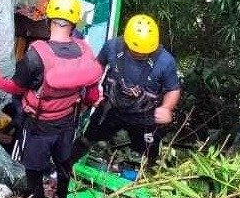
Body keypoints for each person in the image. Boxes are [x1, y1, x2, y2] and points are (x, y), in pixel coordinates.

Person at [0, 0, 102, 198]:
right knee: (64, 162)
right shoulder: (85, 51)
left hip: (38, 126)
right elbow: (92, 93)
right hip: (67, 123)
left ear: (48, 20)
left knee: (33, 170)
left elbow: (17, 88)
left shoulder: (37, 54)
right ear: (74, 23)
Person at [69, 14, 181, 171]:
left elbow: (173, 89)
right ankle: (63, 171)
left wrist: (167, 108)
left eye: (145, 51)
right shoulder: (112, 47)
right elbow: (98, 66)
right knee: (87, 139)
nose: (140, 54)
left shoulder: (165, 61)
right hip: (111, 108)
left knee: (149, 152)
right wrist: (93, 89)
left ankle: (146, 177)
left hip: (144, 116)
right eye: (136, 50)